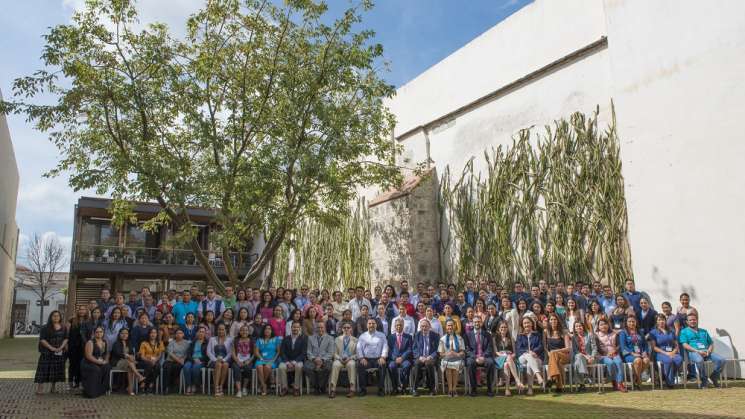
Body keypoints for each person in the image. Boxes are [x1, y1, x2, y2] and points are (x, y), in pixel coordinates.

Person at [679, 313, 725, 388]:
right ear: (687, 322)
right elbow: (685, 345)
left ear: (697, 320)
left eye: (694, 319)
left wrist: (709, 351)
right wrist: (697, 351)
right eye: (690, 320)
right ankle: (704, 379)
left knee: (722, 360)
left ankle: (714, 377)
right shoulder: (684, 331)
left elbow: (711, 343)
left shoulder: (704, 331)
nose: (692, 321)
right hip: (694, 352)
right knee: (699, 360)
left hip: (706, 352)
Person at [34, 310, 68, 395]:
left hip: (59, 352)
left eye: (58, 316)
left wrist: (61, 347)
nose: (56, 317)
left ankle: (53, 388)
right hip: (47, 352)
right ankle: (40, 389)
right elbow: (42, 340)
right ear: (51, 317)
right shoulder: (45, 327)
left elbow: (66, 338)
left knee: (55, 370)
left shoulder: (64, 327)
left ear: (60, 317)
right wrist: (51, 348)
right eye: (54, 316)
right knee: (43, 370)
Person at [356, 318, 388, 397]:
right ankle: (363, 389)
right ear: (367, 325)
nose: (371, 325)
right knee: (360, 366)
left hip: (378, 359)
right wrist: (361, 358)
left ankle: (381, 389)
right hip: (366, 359)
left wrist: (383, 357)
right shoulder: (362, 336)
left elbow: (385, 346)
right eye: (369, 323)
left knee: (383, 365)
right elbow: (358, 348)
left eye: (373, 323)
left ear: (376, 325)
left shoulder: (382, 335)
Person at [649, 313, 682, 389]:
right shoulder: (653, 332)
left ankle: (664, 376)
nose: (661, 321)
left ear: (665, 320)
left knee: (678, 359)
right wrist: (666, 353)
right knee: (668, 360)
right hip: (660, 353)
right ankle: (670, 382)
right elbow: (654, 347)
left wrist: (674, 352)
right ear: (656, 322)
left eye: (663, 319)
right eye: (659, 320)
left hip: (671, 352)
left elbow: (676, 344)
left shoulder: (671, 331)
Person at [464, 315, 495, 396]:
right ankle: (473, 389)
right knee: (470, 363)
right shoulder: (467, 335)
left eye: (478, 322)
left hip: (485, 357)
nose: (477, 323)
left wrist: (483, 357)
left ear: (481, 323)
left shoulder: (487, 335)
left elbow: (490, 348)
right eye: (475, 322)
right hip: (473, 357)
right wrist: (476, 357)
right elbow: (467, 350)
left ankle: (490, 389)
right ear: (472, 323)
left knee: (491, 363)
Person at [109, 328, 144, 396]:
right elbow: (118, 353)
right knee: (129, 362)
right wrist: (128, 356)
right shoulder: (116, 343)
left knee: (130, 368)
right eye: (122, 333)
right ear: (119, 334)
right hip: (117, 362)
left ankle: (130, 389)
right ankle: (139, 376)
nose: (124, 335)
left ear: (128, 335)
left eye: (126, 333)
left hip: (128, 364)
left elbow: (131, 353)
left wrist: (132, 357)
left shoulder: (129, 343)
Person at [492, 321, 523, 396]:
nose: (503, 329)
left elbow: (515, 352)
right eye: (502, 327)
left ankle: (507, 389)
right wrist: (505, 355)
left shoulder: (511, 338)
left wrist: (511, 356)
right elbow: (496, 352)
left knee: (506, 365)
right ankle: (517, 380)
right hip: (499, 358)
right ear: (498, 329)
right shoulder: (495, 338)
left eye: (505, 327)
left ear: (507, 328)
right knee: (507, 358)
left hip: (510, 359)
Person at [595, 318, 626, 392]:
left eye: (605, 324)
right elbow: (597, 348)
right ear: (598, 326)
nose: (603, 326)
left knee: (618, 362)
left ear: (608, 325)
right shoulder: (596, 335)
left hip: (614, 353)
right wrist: (606, 354)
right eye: (601, 324)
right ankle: (614, 381)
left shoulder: (614, 334)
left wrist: (614, 351)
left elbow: (619, 345)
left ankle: (620, 383)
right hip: (602, 355)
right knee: (610, 363)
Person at [619, 316, 650, 390]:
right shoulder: (623, 332)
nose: (631, 323)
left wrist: (645, 352)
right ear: (626, 323)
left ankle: (634, 379)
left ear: (636, 322)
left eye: (633, 321)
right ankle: (639, 380)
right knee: (638, 360)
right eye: (629, 321)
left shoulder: (640, 332)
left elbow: (645, 344)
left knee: (647, 360)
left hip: (640, 353)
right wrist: (633, 353)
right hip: (628, 354)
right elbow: (623, 346)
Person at [304, 321, 335, 395]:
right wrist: (315, 359)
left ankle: (321, 386)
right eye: (318, 327)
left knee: (327, 368)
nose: (320, 329)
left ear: (325, 328)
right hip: (313, 359)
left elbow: (330, 353)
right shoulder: (310, 338)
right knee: (307, 367)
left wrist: (322, 360)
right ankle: (317, 387)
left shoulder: (330, 338)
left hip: (325, 360)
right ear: (316, 329)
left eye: (322, 327)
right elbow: (309, 352)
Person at [516, 317, 545, 395]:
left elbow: (541, 346)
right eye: (524, 323)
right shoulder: (520, 336)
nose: (526, 324)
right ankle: (538, 375)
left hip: (536, 357)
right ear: (522, 325)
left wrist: (535, 352)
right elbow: (519, 348)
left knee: (529, 364)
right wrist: (529, 352)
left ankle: (530, 389)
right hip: (522, 358)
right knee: (528, 355)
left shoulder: (537, 334)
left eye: (528, 322)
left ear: (532, 323)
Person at [80, 326, 111, 398]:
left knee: (107, 367)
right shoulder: (90, 342)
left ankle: (102, 390)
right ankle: (91, 392)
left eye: (101, 332)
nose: (99, 333)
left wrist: (106, 361)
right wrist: (99, 362)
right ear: (94, 333)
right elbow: (88, 356)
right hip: (88, 363)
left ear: (103, 333)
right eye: (97, 332)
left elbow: (107, 354)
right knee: (96, 369)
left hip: (99, 362)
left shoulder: (104, 342)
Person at [411, 318, 439, 396]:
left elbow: (438, 349)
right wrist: (419, 357)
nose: (424, 328)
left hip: (430, 358)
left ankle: (432, 389)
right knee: (416, 364)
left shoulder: (435, 335)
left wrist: (431, 356)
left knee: (429, 364)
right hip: (420, 357)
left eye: (426, 326)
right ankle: (414, 389)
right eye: (422, 326)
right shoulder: (417, 335)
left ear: (429, 327)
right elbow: (414, 348)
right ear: (420, 327)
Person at [279, 321, 307, 396]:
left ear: (300, 328)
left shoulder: (303, 339)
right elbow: (282, 352)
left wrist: (295, 362)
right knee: (281, 367)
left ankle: (296, 388)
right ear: (291, 328)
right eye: (294, 327)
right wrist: (287, 362)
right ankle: (284, 388)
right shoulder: (286, 339)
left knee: (298, 366)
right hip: (287, 360)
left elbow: (303, 353)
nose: (295, 329)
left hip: (298, 360)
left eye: (297, 327)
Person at [329, 322, 357, 398]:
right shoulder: (337, 339)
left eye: (348, 327)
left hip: (350, 359)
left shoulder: (355, 340)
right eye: (344, 328)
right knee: (335, 364)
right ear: (342, 329)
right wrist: (339, 358)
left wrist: (350, 358)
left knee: (352, 364)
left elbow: (357, 354)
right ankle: (333, 389)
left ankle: (352, 389)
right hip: (340, 359)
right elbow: (334, 353)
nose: (346, 329)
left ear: (351, 329)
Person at [545, 313, 571, 393]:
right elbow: (545, 346)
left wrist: (554, 351)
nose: (553, 321)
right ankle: (559, 387)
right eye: (551, 319)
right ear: (549, 321)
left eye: (555, 319)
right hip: (554, 358)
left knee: (554, 354)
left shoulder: (564, 332)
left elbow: (568, 348)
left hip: (565, 356)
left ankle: (550, 378)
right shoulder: (546, 332)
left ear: (558, 321)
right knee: (557, 361)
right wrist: (548, 353)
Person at [439, 319, 465, 397]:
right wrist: (447, 353)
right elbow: (440, 354)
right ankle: (450, 389)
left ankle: (454, 389)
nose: (450, 327)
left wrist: (456, 354)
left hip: (457, 359)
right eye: (448, 325)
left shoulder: (459, 338)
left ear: (454, 326)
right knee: (448, 367)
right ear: (446, 327)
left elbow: (463, 352)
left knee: (456, 366)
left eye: (451, 325)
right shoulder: (442, 339)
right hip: (446, 359)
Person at [387, 318, 414, 394]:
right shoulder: (390, 337)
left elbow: (409, 349)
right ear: (395, 326)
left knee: (407, 365)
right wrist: (395, 358)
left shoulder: (409, 337)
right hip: (393, 359)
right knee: (391, 366)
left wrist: (402, 357)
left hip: (404, 359)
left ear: (403, 326)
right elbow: (389, 350)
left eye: (400, 325)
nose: (399, 327)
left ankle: (404, 387)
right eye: (397, 325)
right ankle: (395, 387)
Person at [254, 324, 281, 396]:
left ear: (271, 331)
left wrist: (273, 360)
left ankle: (261, 385)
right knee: (259, 366)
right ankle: (264, 386)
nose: (267, 330)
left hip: (272, 360)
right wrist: (261, 358)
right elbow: (256, 352)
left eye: (269, 329)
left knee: (267, 367)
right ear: (263, 330)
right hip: (261, 359)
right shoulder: (259, 339)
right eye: (266, 329)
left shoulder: (276, 339)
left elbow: (278, 351)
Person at [207, 323, 233, 397]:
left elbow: (230, 352)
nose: (221, 331)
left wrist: (224, 359)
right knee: (218, 364)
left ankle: (221, 385)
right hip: (214, 360)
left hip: (225, 359)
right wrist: (215, 360)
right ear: (217, 330)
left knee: (225, 364)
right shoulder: (212, 339)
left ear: (225, 330)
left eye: (222, 329)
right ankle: (216, 387)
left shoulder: (230, 340)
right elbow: (208, 352)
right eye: (219, 329)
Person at [571, 322, 596, 392]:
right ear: (575, 329)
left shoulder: (589, 335)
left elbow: (594, 347)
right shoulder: (573, 338)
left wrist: (592, 356)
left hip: (590, 358)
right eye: (576, 326)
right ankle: (586, 375)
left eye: (580, 326)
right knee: (579, 356)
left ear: (583, 327)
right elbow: (576, 351)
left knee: (577, 363)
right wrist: (585, 356)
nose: (579, 327)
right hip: (579, 356)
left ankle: (582, 384)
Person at [137, 327, 164, 394]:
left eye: (154, 333)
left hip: (155, 361)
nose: (153, 334)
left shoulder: (160, 343)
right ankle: (144, 384)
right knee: (149, 365)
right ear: (149, 334)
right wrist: (149, 361)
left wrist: (155, 361)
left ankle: (149, 384)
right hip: (144, 361)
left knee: (158, 366)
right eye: (151, 332)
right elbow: (142, 356)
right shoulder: (144, 343)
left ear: (157, 334)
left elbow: (160, 355)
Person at [183, 326, 209, 395]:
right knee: (186, 367)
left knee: (195, 368)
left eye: (203, 332)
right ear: (197, 333)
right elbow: (188, 354)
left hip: (201, 361)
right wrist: (193, 359)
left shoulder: (207, 343)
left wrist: (199, 359)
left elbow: (207, 356)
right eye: (200, 332)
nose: (201, 333)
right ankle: (189, 385)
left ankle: (194, 385)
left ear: (205, 334)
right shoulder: (193, 342)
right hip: (192, 359)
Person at [163, 328, 189, 394]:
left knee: (177, 367)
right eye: (177, 333)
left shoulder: (186, 343)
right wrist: (179, 360)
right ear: (175, 335)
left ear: (183, 335)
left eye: (180, 333)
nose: (179, 335)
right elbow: (170, 353)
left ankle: (173, 385)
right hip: (170, 360)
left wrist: (183, 359)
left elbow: (187, 353)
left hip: (180, 361)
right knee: (167, 367)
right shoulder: (171, 342)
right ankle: (166, 387)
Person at [67, 306, 88, 390]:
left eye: (84, 309)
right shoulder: (71, 320)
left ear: (86, 311)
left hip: (84, 347)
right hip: (73, 346)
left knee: (81, 365)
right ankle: (70, 382)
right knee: (72, 365)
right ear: (77, 311)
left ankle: (78, 382)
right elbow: (67, 333)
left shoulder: (88, 321)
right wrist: (66, 345)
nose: (82, 311)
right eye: (80, 309)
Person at [231, 325, 253, 397]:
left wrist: (249, 360)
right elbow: (233, 352)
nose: (244, 332)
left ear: (248, 332)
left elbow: (255, 353)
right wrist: (237, 361)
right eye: (242, 330)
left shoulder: (252, 340)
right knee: (236, 368)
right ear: (240, 332)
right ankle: (239, 390)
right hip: (237, 360)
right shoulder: (235, 340)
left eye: (246, 330)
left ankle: (244, 388)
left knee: (248, 368)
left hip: (248, 360)